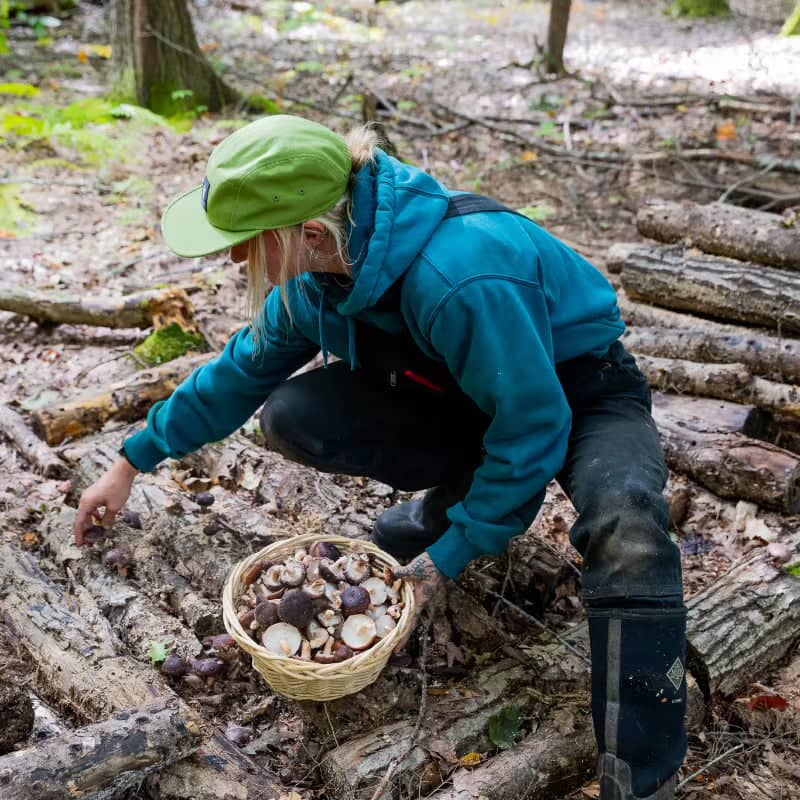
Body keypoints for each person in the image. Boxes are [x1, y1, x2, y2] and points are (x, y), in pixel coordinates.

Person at [75, 114, 686, 800]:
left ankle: (641, 776)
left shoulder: (457, 273)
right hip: (470, 394)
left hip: (583, 386)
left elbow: (535, 423)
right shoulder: (318, 283)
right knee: (294, 414)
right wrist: (131, 462)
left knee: (627, 529)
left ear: (307, 233)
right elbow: (237, 374)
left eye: (244, 245)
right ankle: (461, 496)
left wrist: (448, 558)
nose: (234, 262)